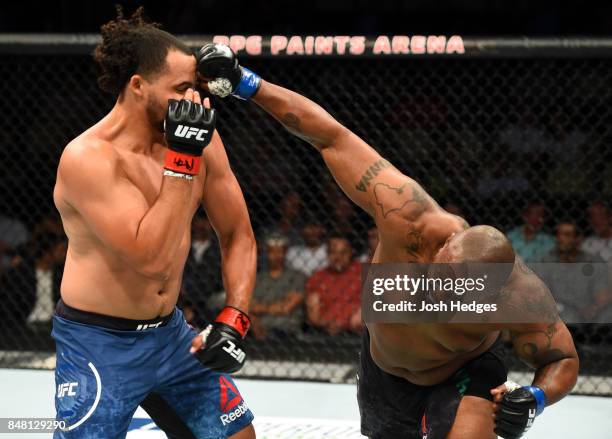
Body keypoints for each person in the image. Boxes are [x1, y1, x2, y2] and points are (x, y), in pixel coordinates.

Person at [198, 44, 579, 439]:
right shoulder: (407, 215)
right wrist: (246, 83)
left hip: (465, 373)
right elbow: (331, 138)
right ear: (441, 250)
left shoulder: (518, 295)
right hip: (385, 371)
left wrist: (535, 398)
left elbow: (562, 356)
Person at [51, 10, 256, 438]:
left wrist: (235, 315)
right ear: (138, 86)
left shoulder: (200, 136)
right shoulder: (89, 159)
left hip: (170, 336)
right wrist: (182, 163)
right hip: (99, 344)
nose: (196, 102)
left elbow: (237, 234)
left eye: (196, 89)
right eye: (181, 89)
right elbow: (151, 258)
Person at [539, 221, 609, 321]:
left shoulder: (593, 261)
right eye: (558, 235)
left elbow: (601, 294)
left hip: (587, 312)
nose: (560, 239)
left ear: (578, 239)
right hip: (559, 311)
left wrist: (594, 308)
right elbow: (543, 295)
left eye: (567, 235)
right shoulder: (546, 261)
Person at [250, 233, 306, 340]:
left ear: (285, 253)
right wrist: (276, 307)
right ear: (266, 253)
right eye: (272, 251)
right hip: (258, 326)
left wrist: (261, 308)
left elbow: (287, 308)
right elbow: (249, 307)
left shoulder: (297, 276)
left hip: (286, 327)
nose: (276, 256)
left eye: (279, 251)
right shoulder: (257, 278)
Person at [305, 235, 362, 335]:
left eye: (343, 252)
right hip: (325, 332)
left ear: (351, 253)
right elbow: (313, 316)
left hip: (357, 332)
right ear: (327, 254)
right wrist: (328, 323)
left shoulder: (364, 272)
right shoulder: (317, 277)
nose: (338, 257)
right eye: (333, 252)